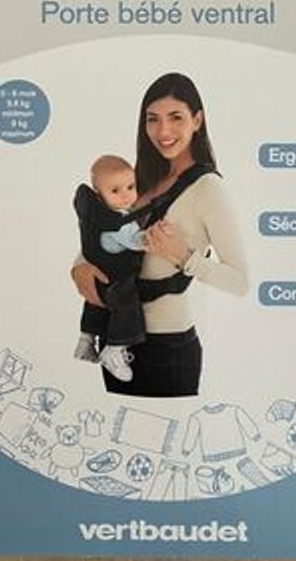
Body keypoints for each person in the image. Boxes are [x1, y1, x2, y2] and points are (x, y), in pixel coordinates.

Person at [71, 72, 248, 397]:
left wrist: (184, 257)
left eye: (176, 117)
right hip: (113, 343)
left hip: (167, 351)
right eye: (153, 119)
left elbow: (240, 282)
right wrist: (79, 266)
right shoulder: (139, 180)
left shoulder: (209, 188)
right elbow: (109, 235)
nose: (163, 131)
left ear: (197, 120)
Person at [73, 155, 148, 382]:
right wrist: (154, 235)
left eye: (130, 187)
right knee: (126, 308)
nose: (126, 195)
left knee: (97, 306)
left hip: (100, 277)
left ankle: (86, 341)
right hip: (116, 281)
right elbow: (136, 241)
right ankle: (114, 349)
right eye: (115, 191)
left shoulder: (95, 215)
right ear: (99, 194)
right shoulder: (117, 222)